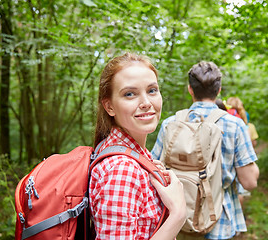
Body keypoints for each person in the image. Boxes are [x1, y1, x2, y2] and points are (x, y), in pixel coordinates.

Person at [152, 61, 259, 239]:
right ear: (219, 90)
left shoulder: (171, 124)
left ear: (190, 90)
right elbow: (249, 182)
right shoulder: (235, 125)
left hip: (175, 222)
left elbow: (156, 171)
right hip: (218, 221)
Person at [89, 52, 187, 239]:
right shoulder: (122, 169)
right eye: (130, 94)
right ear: (109, 107)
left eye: (152, 90)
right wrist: (178, 215)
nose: (146, 103)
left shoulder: (133, 153)